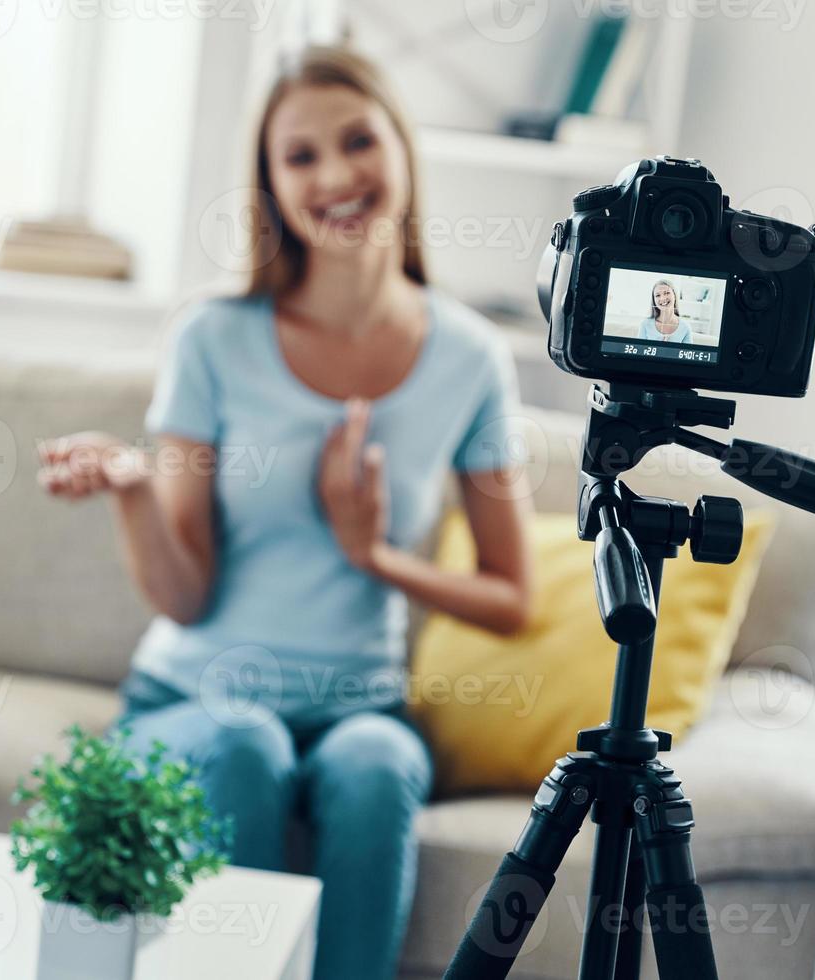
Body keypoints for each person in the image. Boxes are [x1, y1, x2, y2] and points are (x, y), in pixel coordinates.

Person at [38, 46, 531, 980]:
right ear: (269, 184)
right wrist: (136, 490)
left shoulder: (470, 358)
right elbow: (185, 599)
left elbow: (511, 598)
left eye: (357, 142)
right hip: (191, 700)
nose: (336, 176)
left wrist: (372, 553)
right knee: (242, 739)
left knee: (379, 763)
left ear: (401, 152)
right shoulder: (213, 339)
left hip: (362, 706)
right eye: (300, 156)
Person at [637, 278, 691, 344]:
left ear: (674, 295)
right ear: (654, 300)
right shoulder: (645, 324)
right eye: (658, 295)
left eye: (667, 293)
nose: (662, 298)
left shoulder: (685, 327)